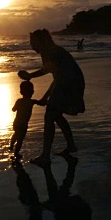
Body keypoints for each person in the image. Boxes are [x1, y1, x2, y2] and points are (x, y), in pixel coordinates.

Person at [18, 29, 85, 166]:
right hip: (71, 82)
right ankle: (71, 146)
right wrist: (45, 97)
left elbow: (47, 71)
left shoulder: (50, 52)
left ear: (40, 41)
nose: (31, 46)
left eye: (33, 42)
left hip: (69, 84)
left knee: (49, 116)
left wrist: (30, 76)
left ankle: (45, 156)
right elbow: (57, 77)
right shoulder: (52, 50)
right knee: (56, 115)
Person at [9, 80, 43, 160]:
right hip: (23, 124)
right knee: (20, 139)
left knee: (16, 134)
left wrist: (17, 107)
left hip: (16, 123)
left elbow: (13, 109)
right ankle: (16, 153)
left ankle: (11, 145)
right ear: (32, 92)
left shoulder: (19, 101)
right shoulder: (32, 101)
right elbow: (42, 103)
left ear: (21, 92)